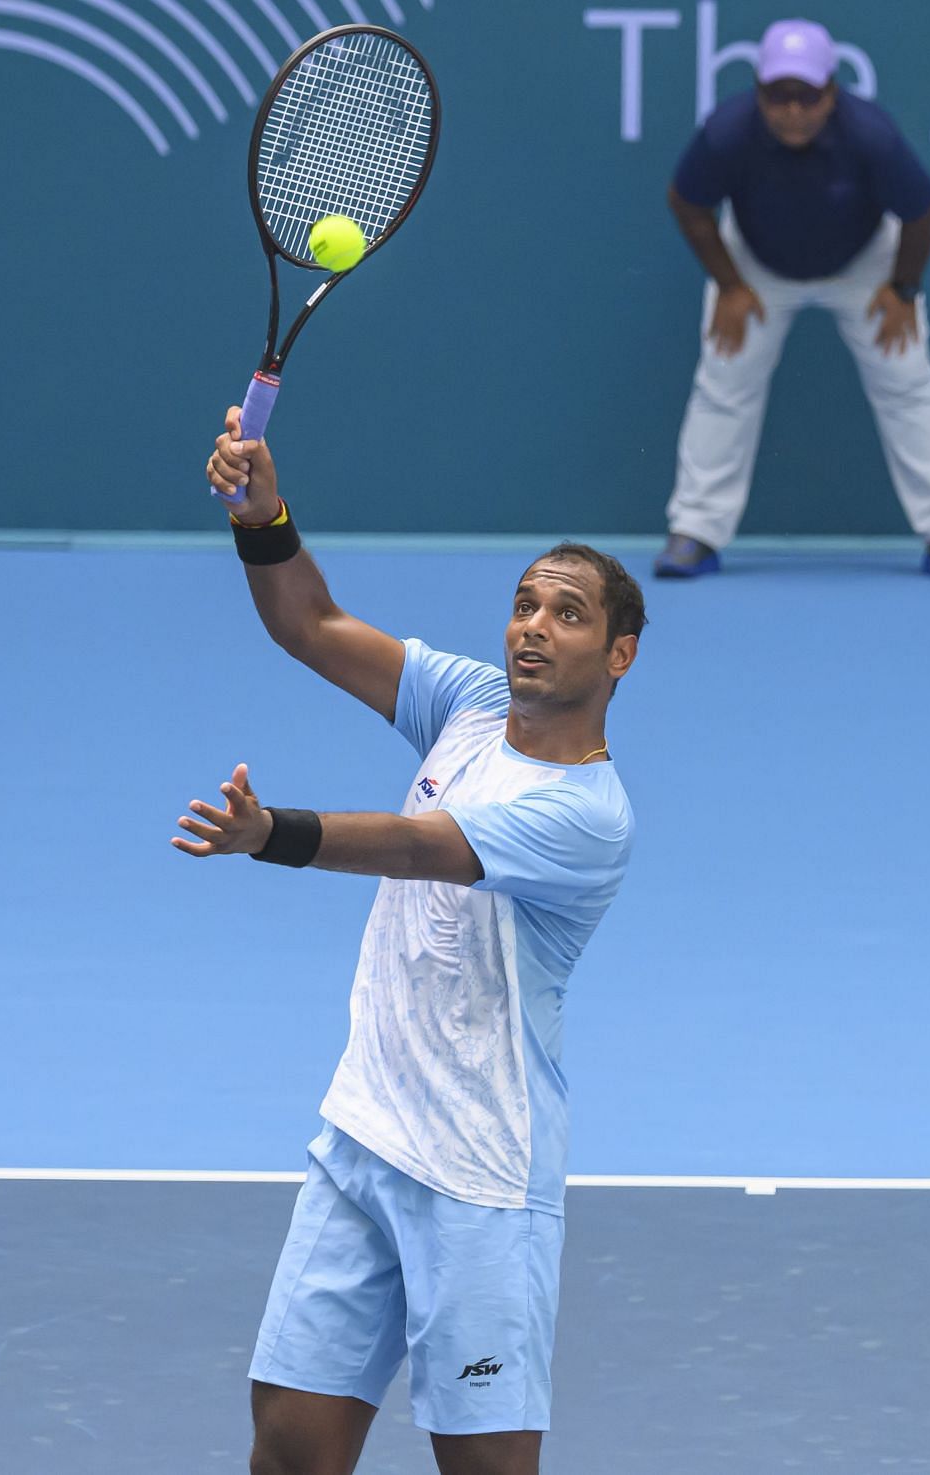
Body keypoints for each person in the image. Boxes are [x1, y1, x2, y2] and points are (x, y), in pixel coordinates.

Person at [181, 409, 645, 1475]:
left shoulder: (589, 814)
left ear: (619, 652)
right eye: (524, 602)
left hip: (478, 1176)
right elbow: (313, 624)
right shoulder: (473, 705)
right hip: (364, 1134)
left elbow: (417, 844)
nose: (532, 624)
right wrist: (264, 515)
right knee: (290, 1440)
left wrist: (272, 834)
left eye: (567, 613)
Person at [655, 17, 930, 581]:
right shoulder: (726, 133)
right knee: (724, 383)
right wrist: (730, 285)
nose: (793, 111)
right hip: (755, 269)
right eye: (778, 97)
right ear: (757, 93)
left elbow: (924, 210)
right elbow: (687, 202)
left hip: (864, 266)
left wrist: (903, 289)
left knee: (906, 381)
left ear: (832, 92)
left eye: (807, 97)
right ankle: (695, 531)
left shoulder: (871, 135)